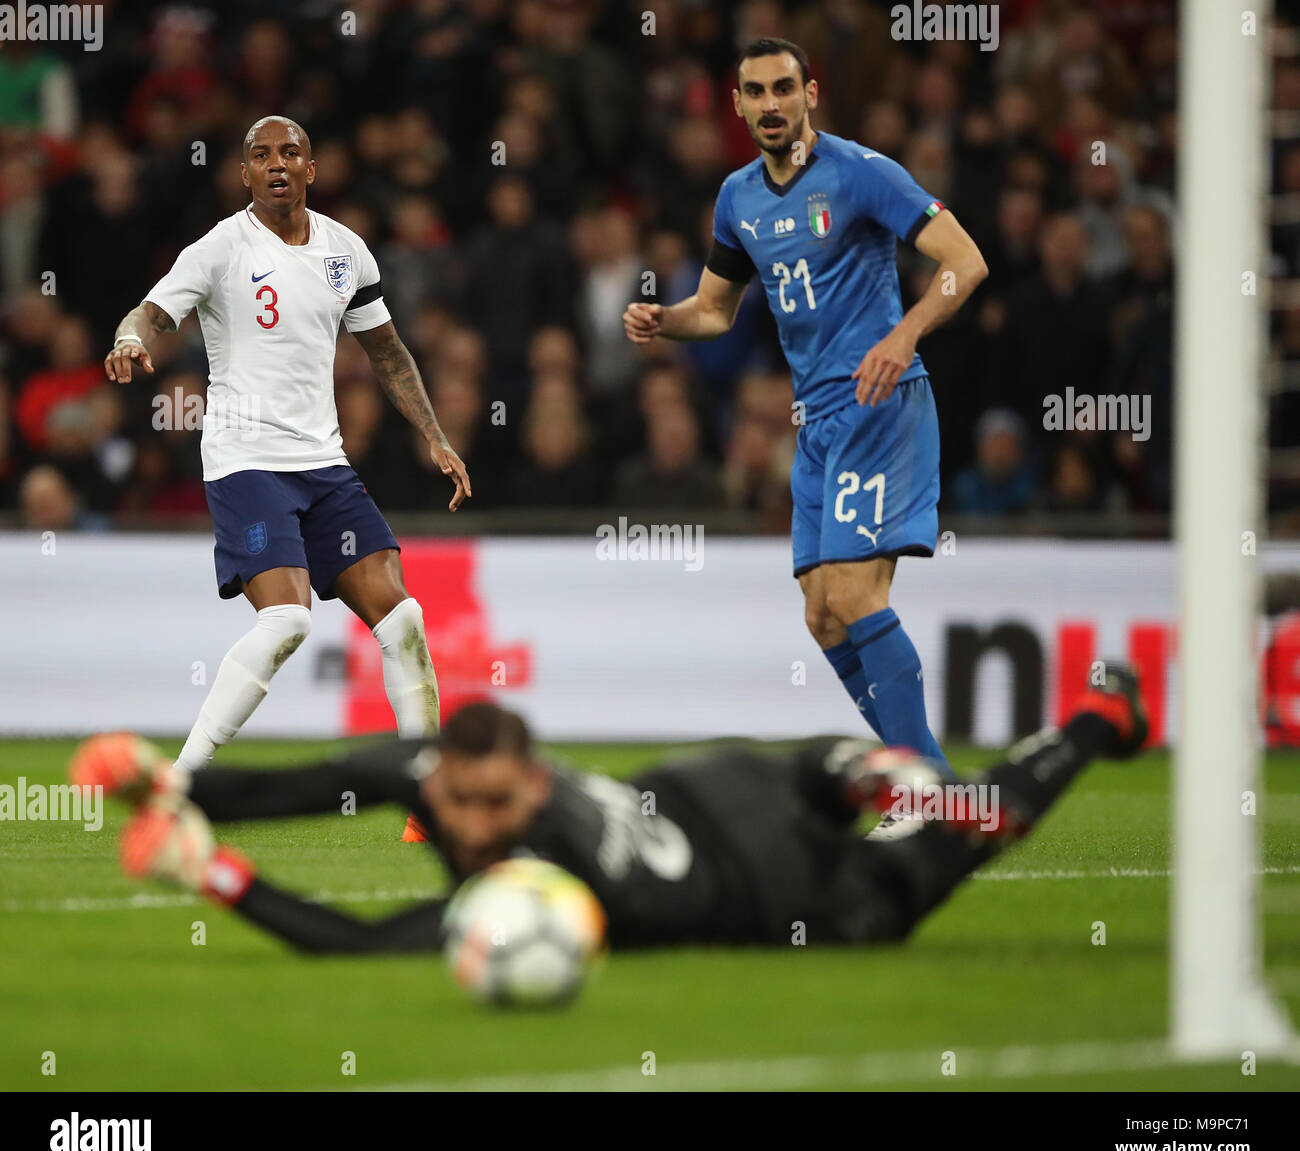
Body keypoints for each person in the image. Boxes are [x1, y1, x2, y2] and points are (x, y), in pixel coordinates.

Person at [70, 665, 1148, 952]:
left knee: (963, 824)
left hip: (816, 893)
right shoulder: (426, 767)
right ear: (432, 777)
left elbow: (363, 946)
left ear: (534, 787)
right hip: (732, 798)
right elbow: (288, 788)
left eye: (497, 805)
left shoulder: (540, 880)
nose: (476, 824)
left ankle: (916, 777)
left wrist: (211, 874)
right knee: (955, 810)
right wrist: (162, 777)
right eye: (461, 801)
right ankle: (1100, 717)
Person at [624, 39, 988, 794]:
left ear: (810, 93)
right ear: (737, 106)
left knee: (855, 597)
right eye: (754, 92)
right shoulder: (738, 198)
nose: (770, 104)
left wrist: (903, 333)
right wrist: (666, 320)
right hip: (816, 424)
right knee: (824, 618)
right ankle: (929, 779)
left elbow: (965, 261)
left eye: (783, 88)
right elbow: (716, 312)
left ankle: (927, 786)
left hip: (882, 408)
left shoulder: (861, 174)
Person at [103, 116, 470, 844]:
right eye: (261, 155)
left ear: (312, 167)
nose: (277, 164)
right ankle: (179, 785)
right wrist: (126, 341)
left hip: (324, 465)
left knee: (403, 620)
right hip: (246, 457)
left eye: (290, 152)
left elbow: (389, 354)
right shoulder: (220, 247)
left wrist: (434, 436)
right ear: (243, 175)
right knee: (290, 619)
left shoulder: (346, 250)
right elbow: (150, 312)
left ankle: (426, 794)